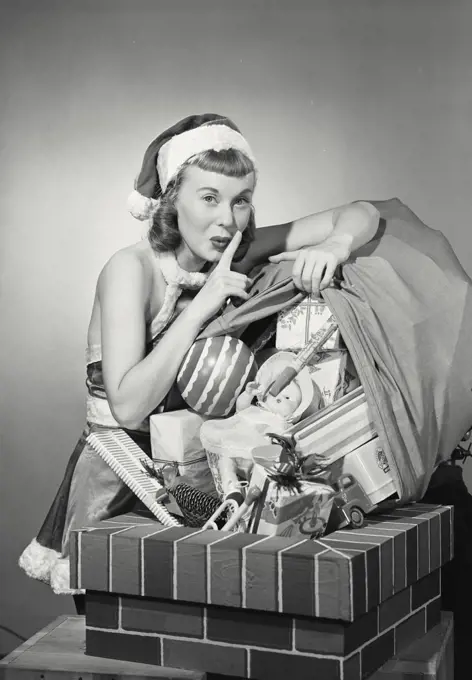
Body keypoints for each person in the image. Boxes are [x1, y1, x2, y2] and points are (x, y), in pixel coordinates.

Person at [18, 113, 380, 612]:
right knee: (125, 643)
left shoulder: (232, 249)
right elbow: (127, 407)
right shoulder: (131, 269)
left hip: (196, 474)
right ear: (171, 200)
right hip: (121, 482)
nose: (227, 220)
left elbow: (362, 212)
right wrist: (206, 304)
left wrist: (337, 245)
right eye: (208, 198)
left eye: (240, 200)